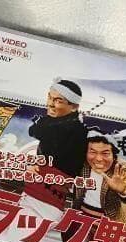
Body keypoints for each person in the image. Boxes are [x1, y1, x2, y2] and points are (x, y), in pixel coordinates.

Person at [25, 78, 89, 212]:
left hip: (49, 195)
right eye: (50, 98)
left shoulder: (71, 129)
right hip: (38, 187)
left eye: (58, 101)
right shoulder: (62, 123)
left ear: (74, 107)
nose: (50, 104)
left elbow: (35, 131)